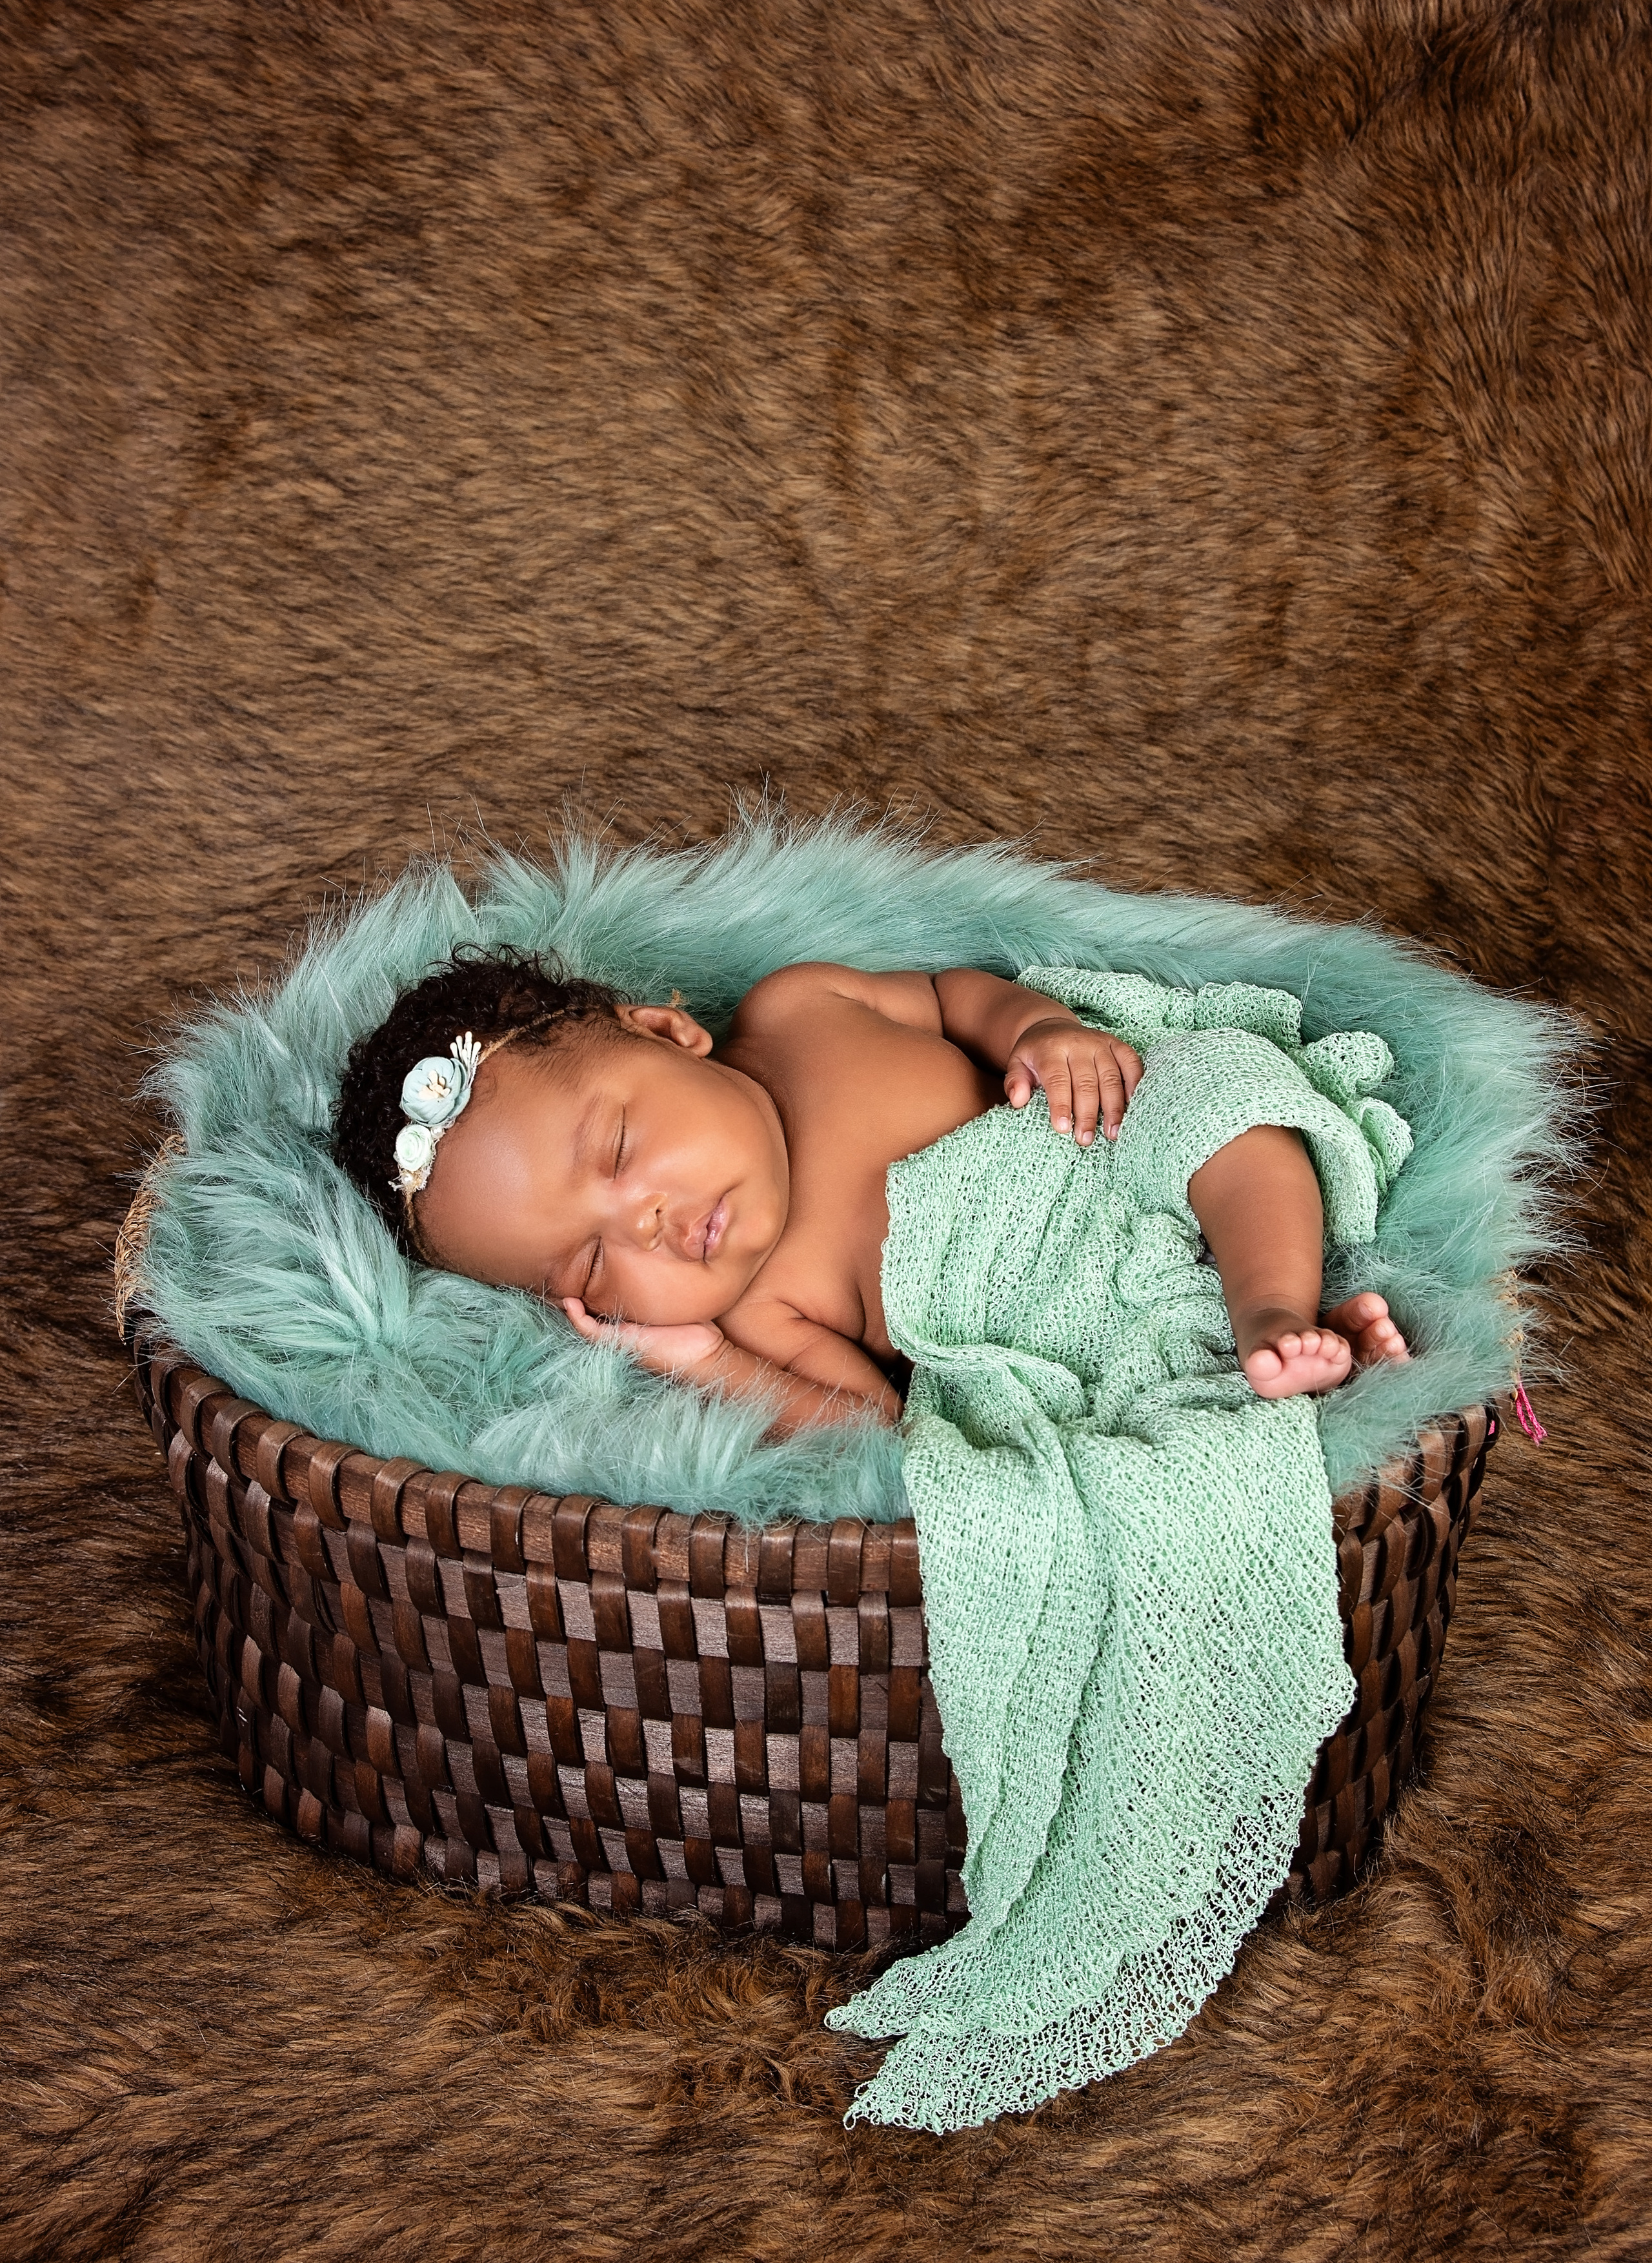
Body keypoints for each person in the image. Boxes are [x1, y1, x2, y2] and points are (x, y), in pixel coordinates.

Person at [332, 948, 1408, 1437]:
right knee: (1071, 1437)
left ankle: (1268, 1299)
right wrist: (701, 1359)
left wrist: (1040, 1032)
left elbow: (953, 997)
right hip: (1067, 1330)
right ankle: (1285, 1359)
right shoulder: (755, 1308)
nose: (648, 1226)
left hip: (1116, 1155)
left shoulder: (801, 1005)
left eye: (618, 1151)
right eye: (595, 1267)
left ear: (666, 1031)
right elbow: (876, 1429)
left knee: (1221, 1089)